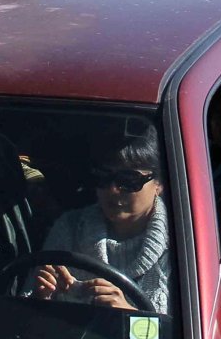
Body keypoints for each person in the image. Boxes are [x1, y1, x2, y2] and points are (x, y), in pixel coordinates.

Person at [26, 123, 170, 312]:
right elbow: (23, 319)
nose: (113, 190)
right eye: (103, 177)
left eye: (128, 180)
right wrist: (40, 298)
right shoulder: (69, 228)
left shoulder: (182, 248)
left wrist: (129, 315)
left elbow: (182, 337)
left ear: (159, 184)